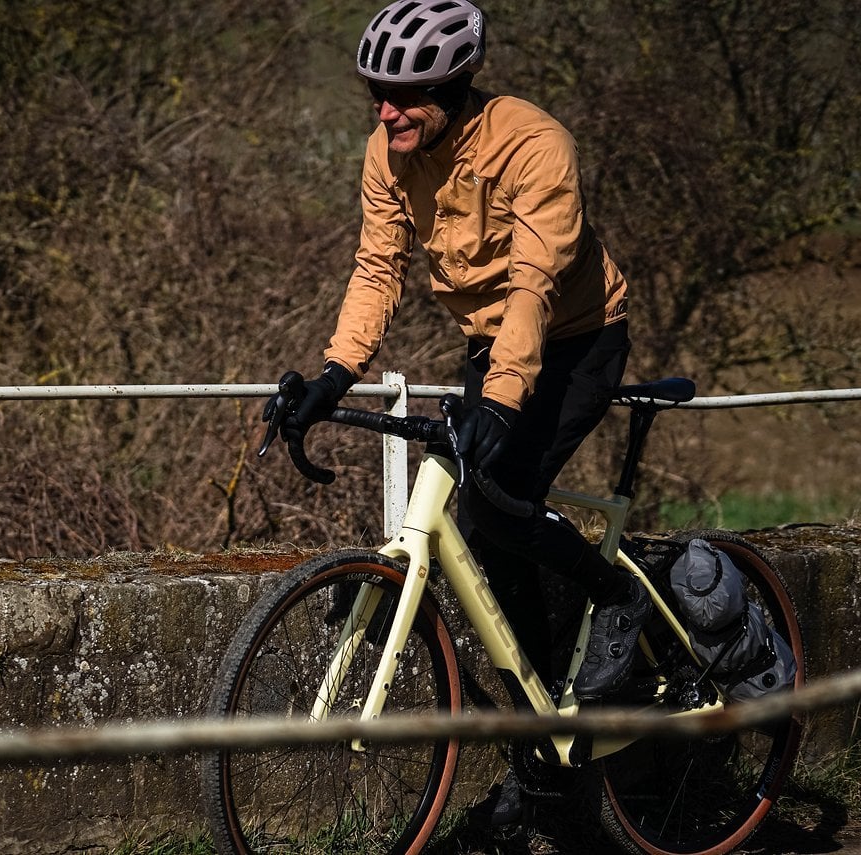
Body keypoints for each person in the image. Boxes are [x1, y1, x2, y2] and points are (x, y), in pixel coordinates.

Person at [268, 0, 650, 827]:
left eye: (406, 95)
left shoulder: (533, 143)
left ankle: (615, 594)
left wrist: (503, 401)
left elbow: (534, 284)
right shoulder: (389, 152)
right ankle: (542, 754)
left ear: (454, 86)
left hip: (578, 339)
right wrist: (335, 375)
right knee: (483, 537)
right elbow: (378, 267)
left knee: (496, 497)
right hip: (495, 342)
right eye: (376, 91)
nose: (386, 110)